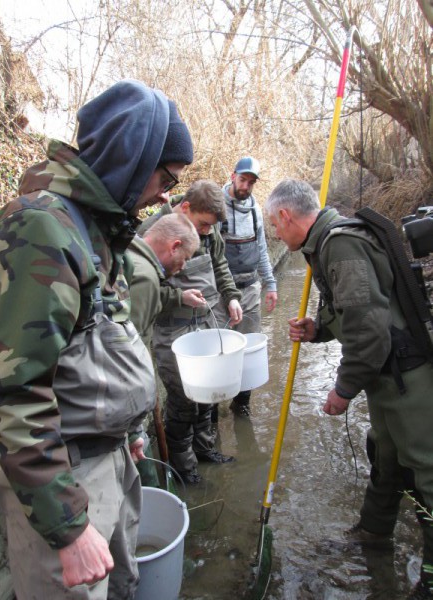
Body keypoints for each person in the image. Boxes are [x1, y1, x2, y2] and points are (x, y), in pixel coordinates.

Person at [0, 79, 193, 600]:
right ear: (130, 159)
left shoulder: (98, 233)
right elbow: (14, 393)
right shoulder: (41, 228)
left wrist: (127, 427)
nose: (167, 194)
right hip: (63, 479)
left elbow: (95, 349)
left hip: (109, 457)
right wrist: (68, 528)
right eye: (165, 177)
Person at [265, 178, 433, 600]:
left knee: (427, 475)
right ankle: (373, 535)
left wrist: (343, 390)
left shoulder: (340, 244)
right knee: (387, 459)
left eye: (274, 225)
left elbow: (370, 333)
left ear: (286, 216)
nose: (274, 233)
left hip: (405, 377)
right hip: (387, 377)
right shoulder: (328, 242)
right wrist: (318, 327)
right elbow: (355, 311)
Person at [139, 179, 243, 484]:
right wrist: (178, 297)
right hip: (173, 331)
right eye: (203, 224)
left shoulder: (210, 232)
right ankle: (185, 470)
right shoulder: (152, 234)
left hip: (206, 323)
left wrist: (232, 296)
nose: (207, 231)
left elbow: (221, 266)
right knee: (183, 401)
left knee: (207, 393)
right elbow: (144, 290)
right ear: (185, 208)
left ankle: (205, 450)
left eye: (211, 226)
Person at [127, 213, 202, 486]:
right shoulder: (146, 277)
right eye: (184, 259)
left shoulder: (129, 253)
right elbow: (126, 350)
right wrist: (135, 425)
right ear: (174, 246)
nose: (182, 268)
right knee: (141, 470)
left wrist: (180, 296)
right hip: (120, 405)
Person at [214, 156, 277, 418]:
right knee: (218, 350)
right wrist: (225, 294)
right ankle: (212, 406)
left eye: (251, 182)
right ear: (232, 175)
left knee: (249, 348)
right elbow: (211, 255)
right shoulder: (216, 207)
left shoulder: (255, 210)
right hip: (219, 292)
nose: (246, 186)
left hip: (250, 288)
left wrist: (270, 284)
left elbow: (261, 250)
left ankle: (241, 404)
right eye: (243, 180)